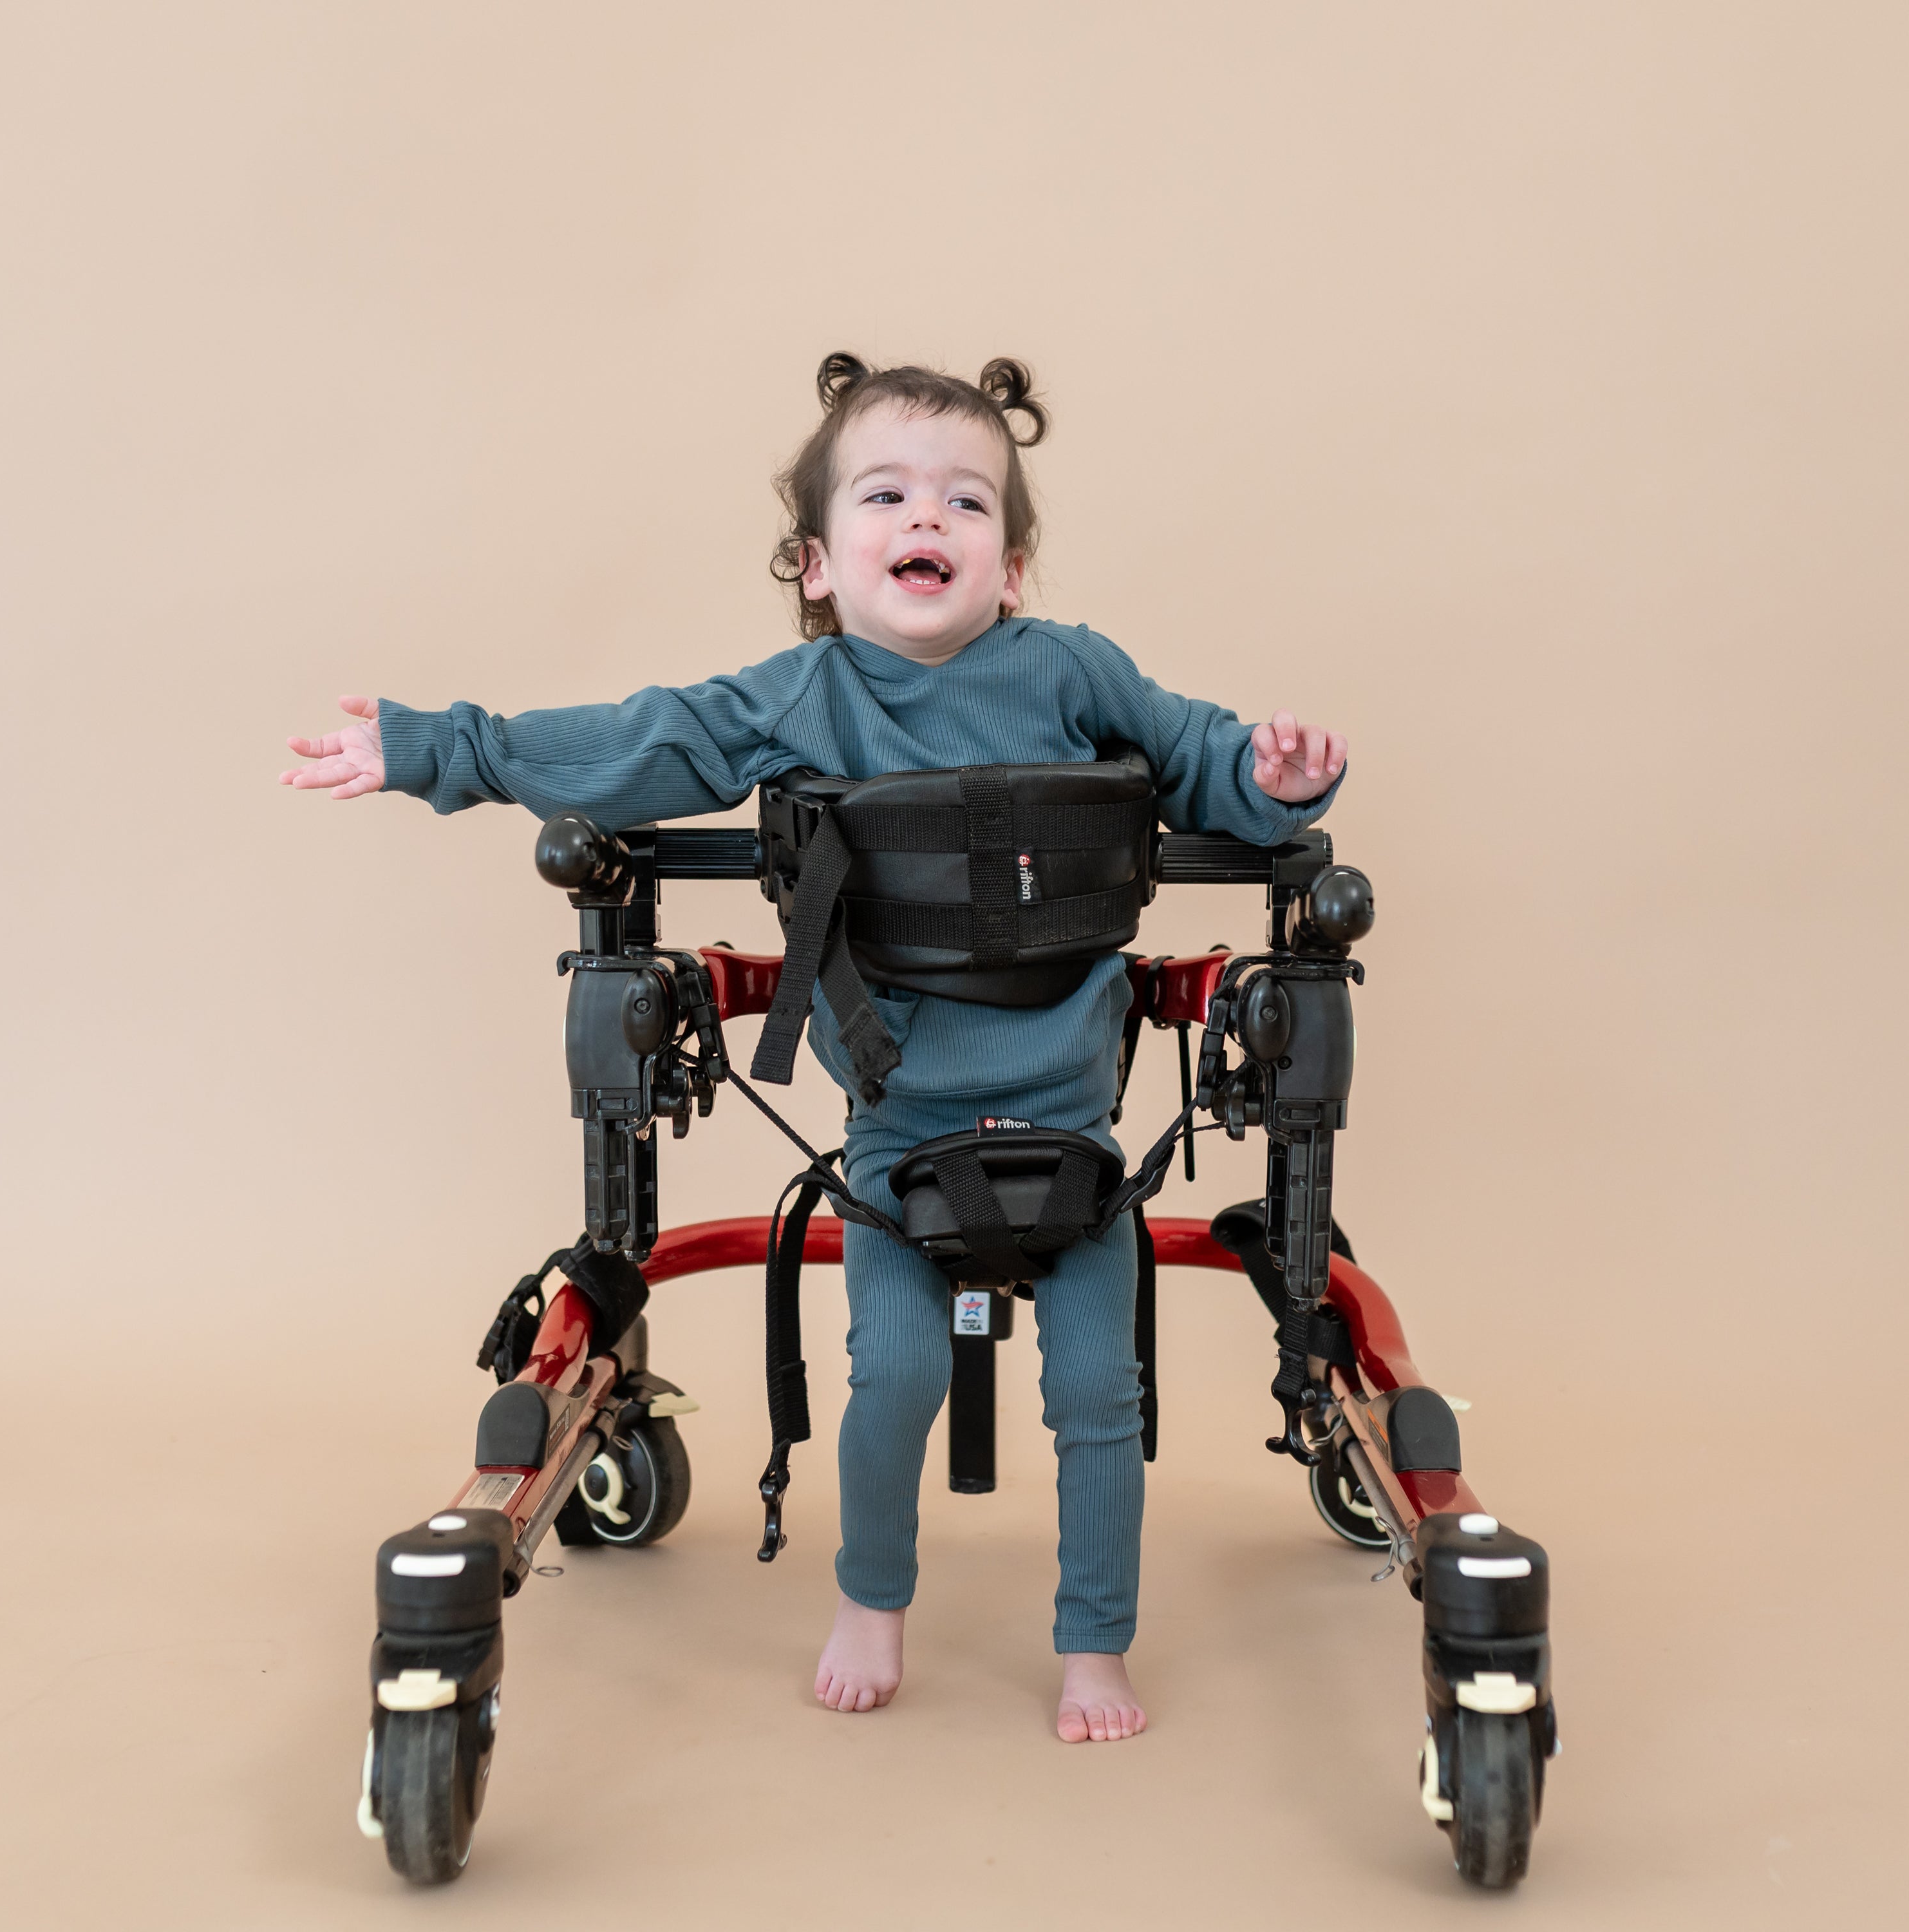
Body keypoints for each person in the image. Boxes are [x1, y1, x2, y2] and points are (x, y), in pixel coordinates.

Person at [283, 354, 1347, 1743]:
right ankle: (872, 1598)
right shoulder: (802, 697)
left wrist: (1275, 778)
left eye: (968, 503)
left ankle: (1096, 1647)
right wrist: (445, 749)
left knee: (1100, 1392)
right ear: (819, 564)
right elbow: (630, 746)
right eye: (890, 494)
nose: (931, 518)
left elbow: (1201, 754)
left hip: (1075, 1141)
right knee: (894, 1377)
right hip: (900, 1142)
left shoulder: (1072, 668)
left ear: (1010, 568)